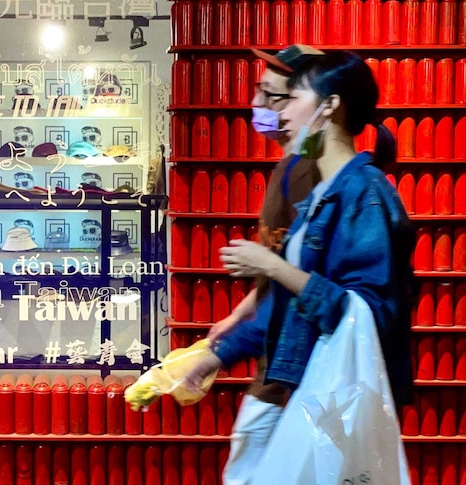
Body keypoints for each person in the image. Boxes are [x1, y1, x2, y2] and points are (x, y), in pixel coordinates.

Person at [189, 51, 416, 481]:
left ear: (329, 106)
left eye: (291, 98)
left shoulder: (364, 196)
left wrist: (272, 267)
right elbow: (289, 307)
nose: (278, 112)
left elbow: (365, 313)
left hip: (334, 399)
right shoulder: (323, 196)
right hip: (311, 391)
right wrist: (215, 357)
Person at [204, 45, 324, 481]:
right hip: (277, 358)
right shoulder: (289, 168)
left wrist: (220, 354)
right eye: (259, 91)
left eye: (272, 96)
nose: (255, 105)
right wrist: (240, 313)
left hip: (291, 369)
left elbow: (307, 278)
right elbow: (284, 263)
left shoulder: (311, 173)